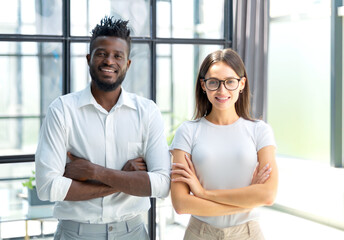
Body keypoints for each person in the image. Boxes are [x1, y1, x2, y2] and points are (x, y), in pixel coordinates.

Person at [35, 16, 171, 240]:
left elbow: (162, 184)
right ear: (89, 59)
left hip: (133, 232)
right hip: (76, 233)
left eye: (118, 56)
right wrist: (125, 179)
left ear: (127, 64)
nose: (109, 61)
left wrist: (95, 172)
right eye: (101, 53)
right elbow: (48, 187)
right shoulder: (62, 110)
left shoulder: (147, 112)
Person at [170, 49, 278, 240]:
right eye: (214, 82)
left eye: (230, 82)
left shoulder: (260, 131)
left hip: (247, 234)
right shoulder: (187, 132)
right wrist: (248, 198)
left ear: (241, 84)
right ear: (203, 85)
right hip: (200, 233)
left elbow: (268, 194)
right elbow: (181, 204)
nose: (222, 91)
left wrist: (203, 193)